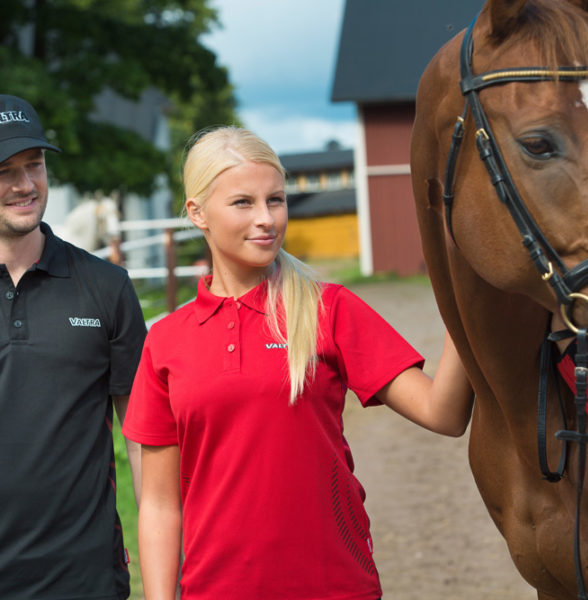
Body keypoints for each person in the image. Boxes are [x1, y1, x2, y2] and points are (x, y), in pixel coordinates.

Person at [122, 126, 474, 600]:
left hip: (333, 584)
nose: (267, 218)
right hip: (214, 589)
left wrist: (469, 296)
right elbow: (161, 506)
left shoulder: (328, 309)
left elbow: (444, 413)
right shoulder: (165, 341)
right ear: (197, 213)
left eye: (277, 200)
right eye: (243, 202)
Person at [0, 94, 147, 599]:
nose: (24, 185)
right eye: (5, 170)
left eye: (33, 165)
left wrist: (162, 558)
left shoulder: (107, 287)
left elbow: (143, 436)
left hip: (83, 576)